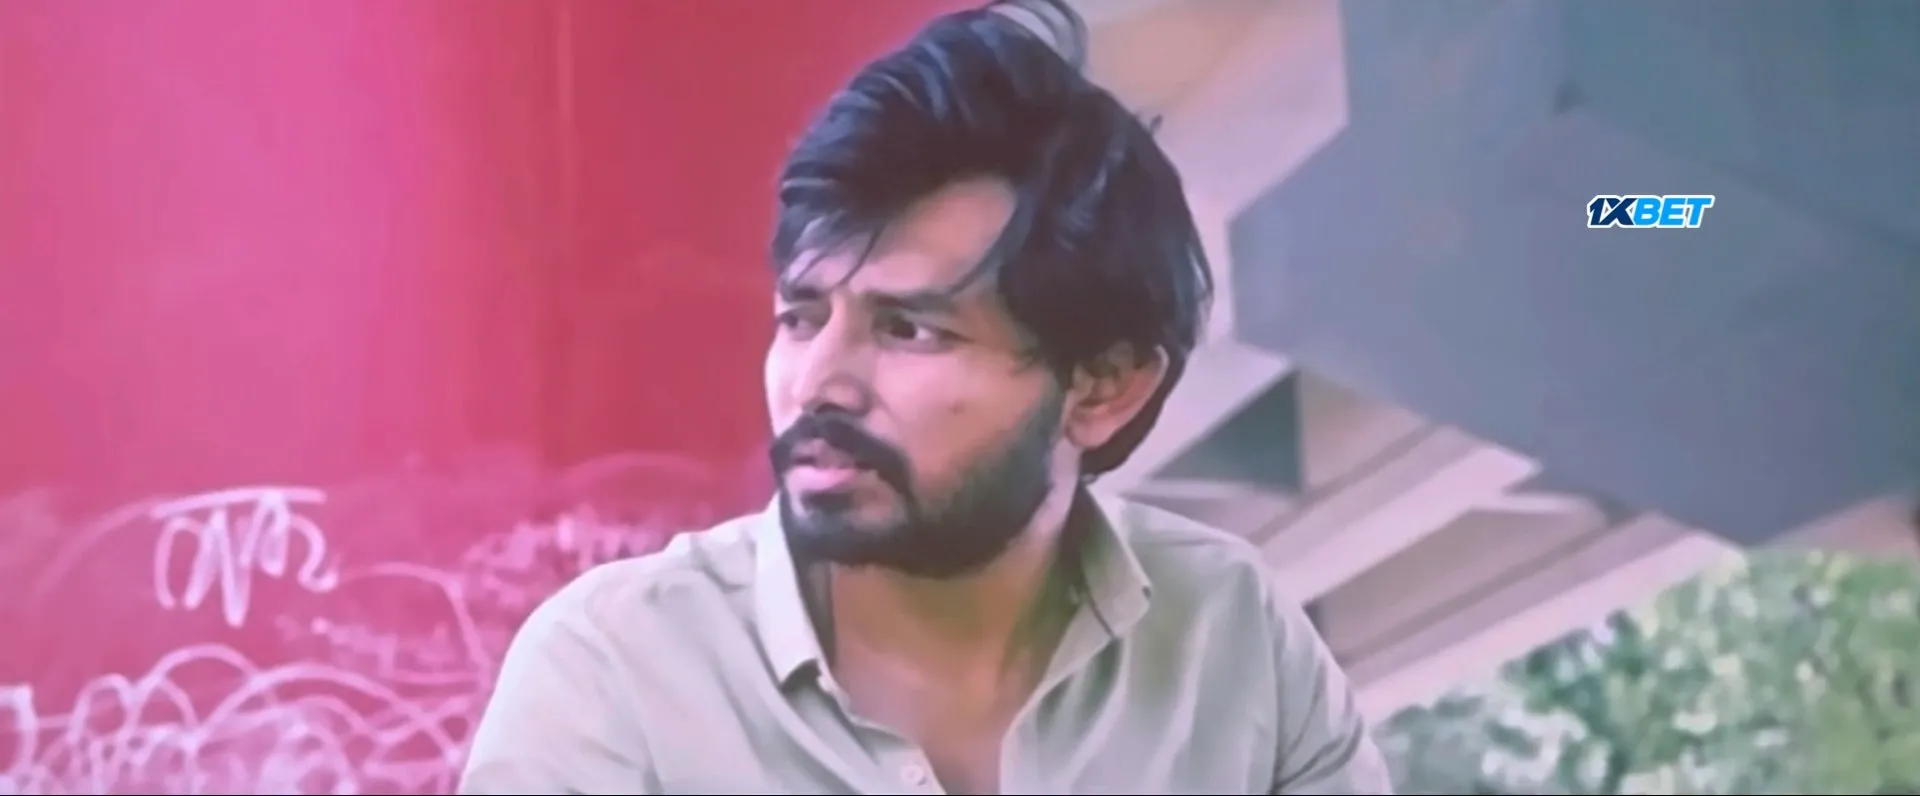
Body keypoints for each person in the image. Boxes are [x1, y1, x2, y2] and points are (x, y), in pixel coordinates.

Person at [458, 0, 1391, 792]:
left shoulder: (1231, 640)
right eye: (801, 317)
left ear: (1103, 386)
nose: (819, 382)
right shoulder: (615, 672)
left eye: (909, 330)